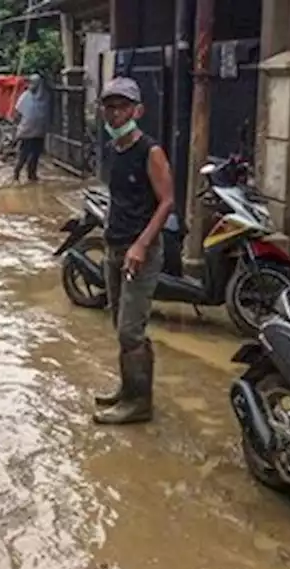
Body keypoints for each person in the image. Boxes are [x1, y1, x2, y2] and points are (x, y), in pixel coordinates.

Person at [93, 77, 175, 425]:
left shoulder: (150, 151)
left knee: (130, 329)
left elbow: (168, 201)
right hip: (116, 245)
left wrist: (141, 244)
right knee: (121, 326)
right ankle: (129, 390)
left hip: (139, 250)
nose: (114, 113)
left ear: (137, 110)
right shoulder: (114, 150)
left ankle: (140, 404)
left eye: (121, 107)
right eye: (109, 107)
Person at [12, 74, 48, 182]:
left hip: (39, 131)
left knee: (35, 155)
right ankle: (16, 174)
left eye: (34, 83)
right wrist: (18, 124)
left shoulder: (45, 97)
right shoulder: (25, 96)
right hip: (26, 131)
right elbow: (18, 113)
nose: (31, 85)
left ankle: (32, 175)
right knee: (23, 154)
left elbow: (46, 113)